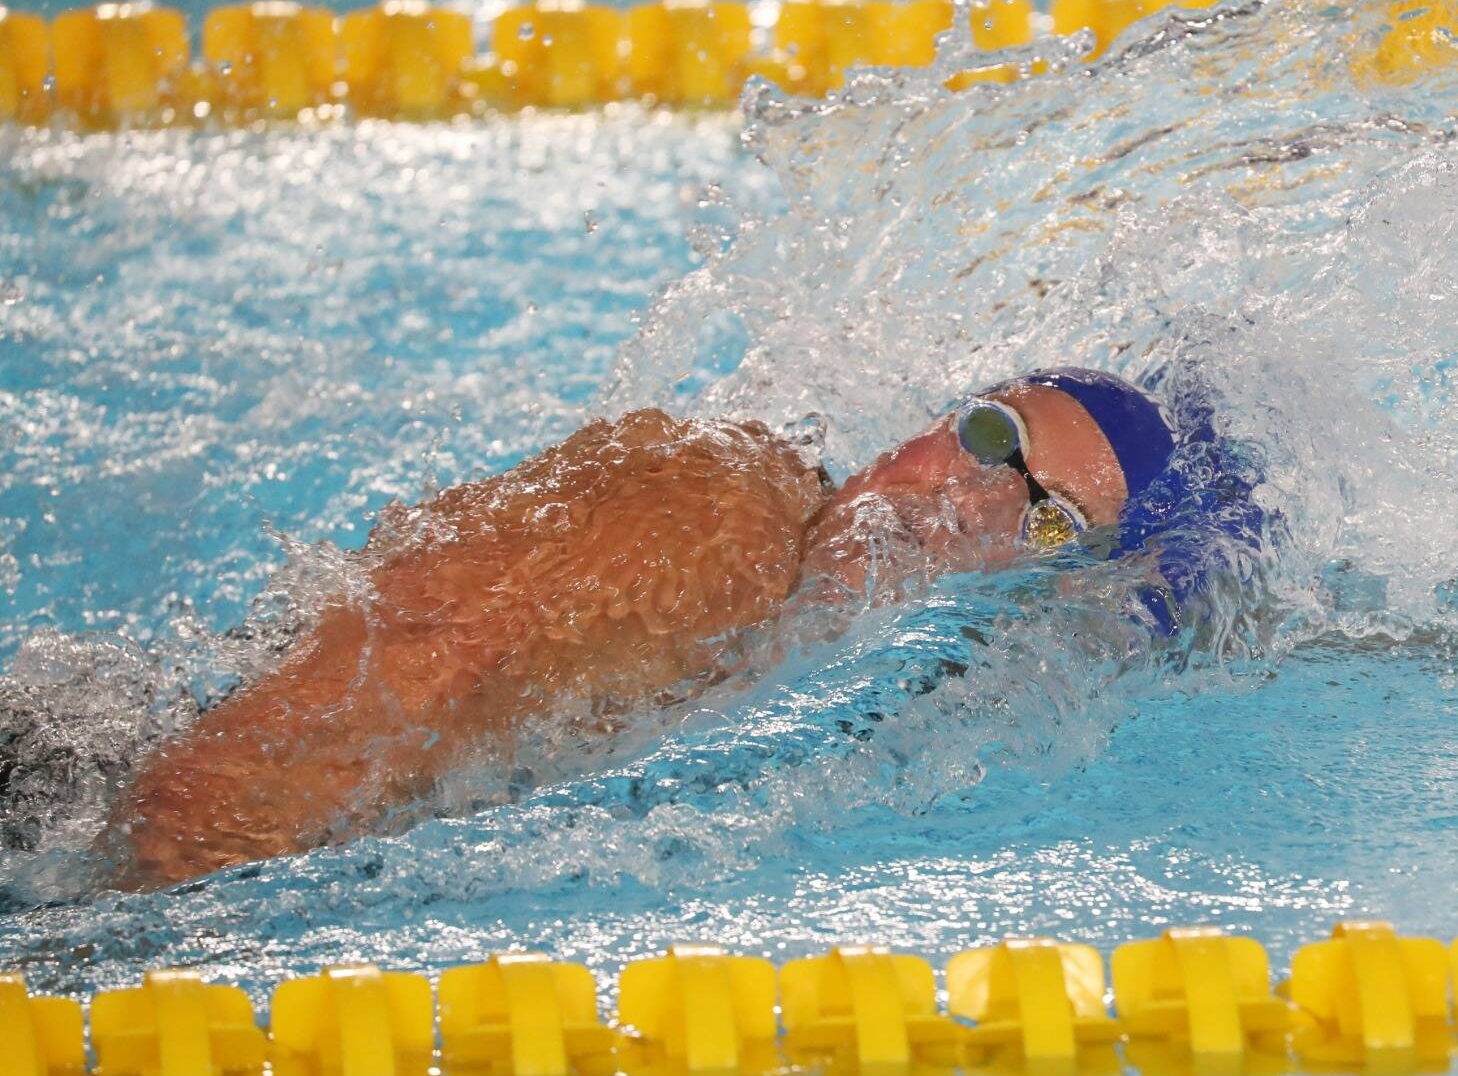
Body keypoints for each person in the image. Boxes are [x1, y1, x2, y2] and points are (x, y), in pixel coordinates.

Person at [104, 368, 1195, 887]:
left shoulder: (806, 652)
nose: (964, 500)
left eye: (1044, 520)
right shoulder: (704, 518)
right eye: (988, 438)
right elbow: (218, 782)